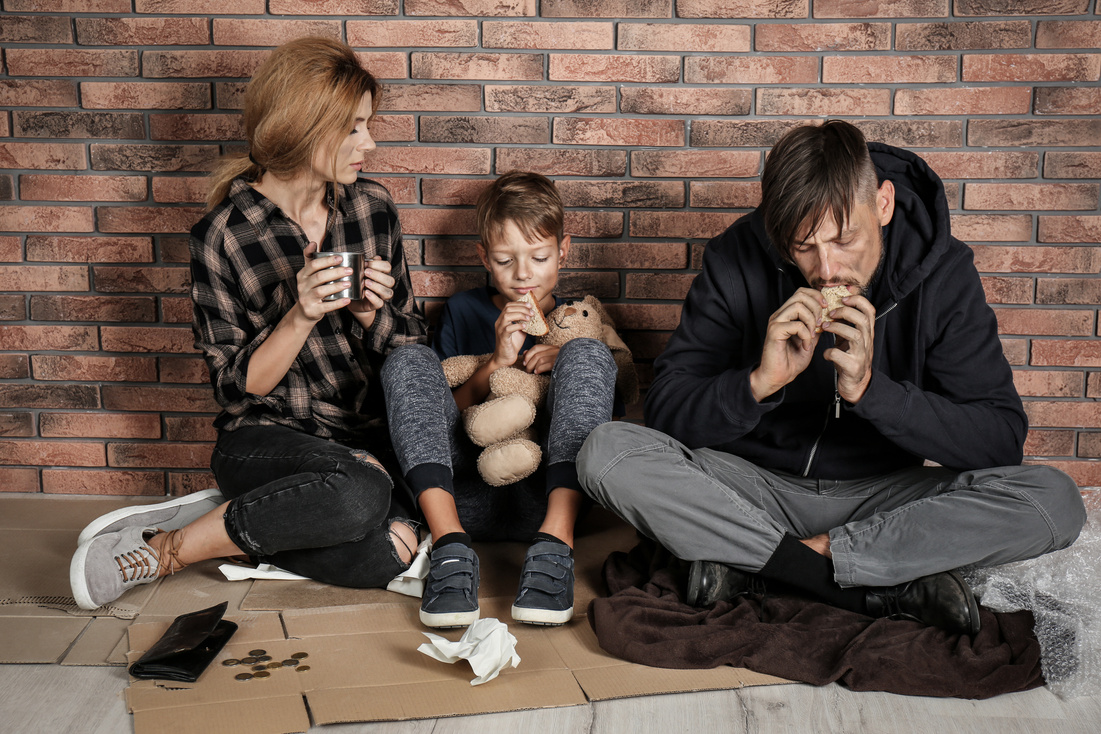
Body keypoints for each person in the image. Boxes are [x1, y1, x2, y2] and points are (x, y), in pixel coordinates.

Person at [577, 120, 1086, 636]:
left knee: (1056, 501)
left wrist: (873, 392)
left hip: (884, 502)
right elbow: (667, 411)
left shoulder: (945, 274)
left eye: (845, 240)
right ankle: (866, 585)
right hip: (750, 489)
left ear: (883, 205)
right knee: (604, 452)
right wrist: (757, 384)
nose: (826, 270)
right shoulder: (735, 257)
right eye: (803, 246)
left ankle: (774, 565)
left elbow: (999, 440)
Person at [69, 37, 427, 611]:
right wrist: (301, 314)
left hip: (365, 438)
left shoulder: (372, 210)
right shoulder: (223, 237)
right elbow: (237, 389)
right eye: (354, 128)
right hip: (268, 437)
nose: (371, 143)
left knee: (397, 546)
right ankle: (171, 547)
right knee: (364, 502)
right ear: (305, 127)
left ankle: (240, 516)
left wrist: (372, 315)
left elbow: (414, 357)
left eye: (368, 125)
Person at [381, 171, 624, 628]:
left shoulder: (579, 319)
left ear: (563, 251)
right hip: (466, 492)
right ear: (483, 258)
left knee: (590, 353)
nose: (524, 274)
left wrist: (567, 359)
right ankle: (450, 546)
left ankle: (557, 546)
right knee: (408, 361)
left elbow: (604, 428)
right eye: (505, 259)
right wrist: (494, 363)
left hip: (547, 496)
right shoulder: (463, 309)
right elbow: (435, 416)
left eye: (539, 257)